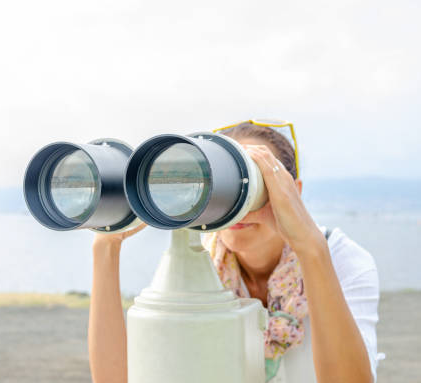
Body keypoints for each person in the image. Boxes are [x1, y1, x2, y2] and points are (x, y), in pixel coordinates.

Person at [88, 121, 380, 383]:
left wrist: (311, 248)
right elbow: (119, 379)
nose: (237, 207)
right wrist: (106, 248)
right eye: (221, 187)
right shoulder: (199, 262)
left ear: (294, 192)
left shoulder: (340, 259)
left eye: (256, 184)